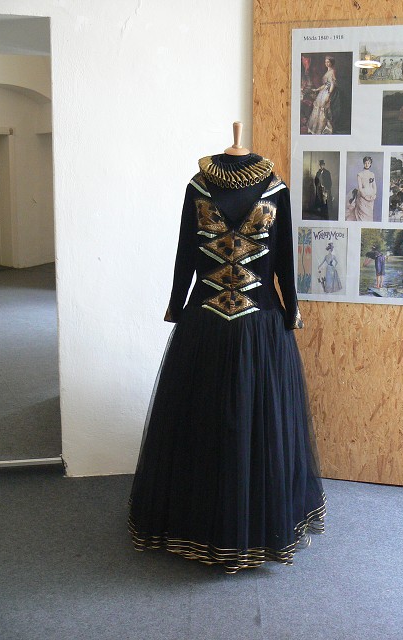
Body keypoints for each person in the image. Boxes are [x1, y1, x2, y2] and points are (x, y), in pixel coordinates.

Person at [128, 150, 327, 574]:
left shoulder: (276, 189)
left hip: (260, 328)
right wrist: (176, 304)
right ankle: (199, 524)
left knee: (257, 424)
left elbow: (285, 260)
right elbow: (185, 254)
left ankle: (255, 525)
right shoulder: (197, 187)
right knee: (205, 419)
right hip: (207, 327)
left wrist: (291, 310)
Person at [307, 55, 340, 135]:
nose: (326, 63)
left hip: (327, 92)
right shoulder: (328, 71)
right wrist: (317, 89)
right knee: (318, 109)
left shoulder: (332, 71)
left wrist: (328, 94)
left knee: (323, 110)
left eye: (328, 62)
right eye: (325, 62)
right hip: (323, 92)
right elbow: (325, 85)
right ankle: (316, 128)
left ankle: (323, 128)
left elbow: (332, 84)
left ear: (331, 62)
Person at [346, 156, 377, 221]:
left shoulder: (372, 174)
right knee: (362, 216)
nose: (367, 164)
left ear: (370, 164)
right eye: (365, 163)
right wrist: (365, 196)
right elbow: (360, 188)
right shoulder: (360, 174)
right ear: (363, 163)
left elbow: (374, 186)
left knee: (369, 216)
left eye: (368, 163)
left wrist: (374, 194)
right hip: (362, 196)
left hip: (371, 197)